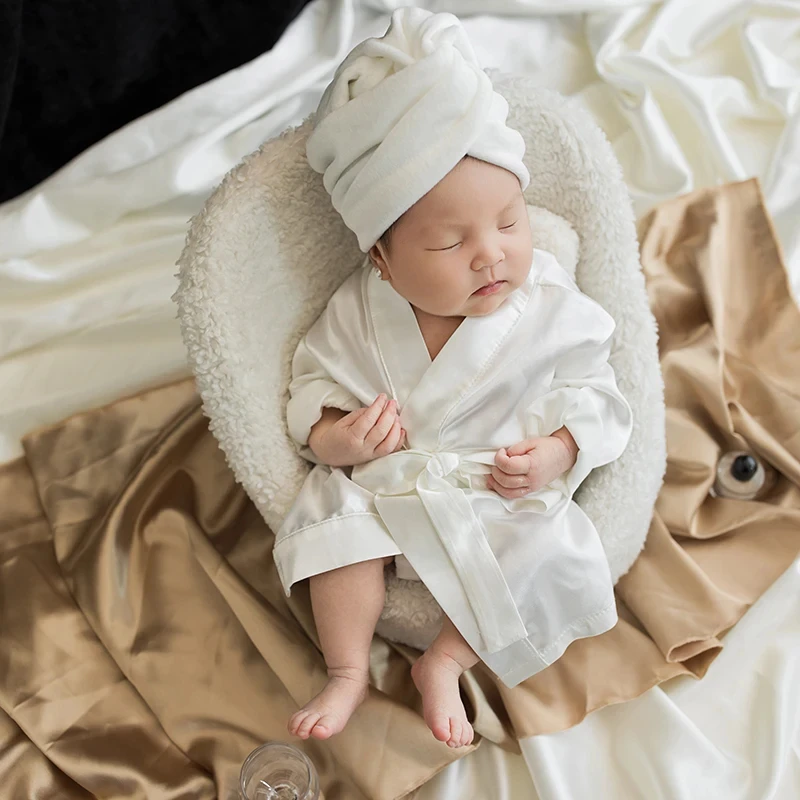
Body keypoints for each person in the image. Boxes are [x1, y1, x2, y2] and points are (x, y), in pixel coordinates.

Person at [273, 7, 633, 749]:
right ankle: (346, 669)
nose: (491, 255)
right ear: (383, 258)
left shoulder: (550, 303)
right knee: (332, 516)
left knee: (551, 546)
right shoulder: (358, 313)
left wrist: (560, 450)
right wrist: (336, 438)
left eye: (509, 222)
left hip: (496, 490)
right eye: (450, 241)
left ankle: (445, 658)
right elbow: (307, 389)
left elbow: (600, 390)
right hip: (390, 486)